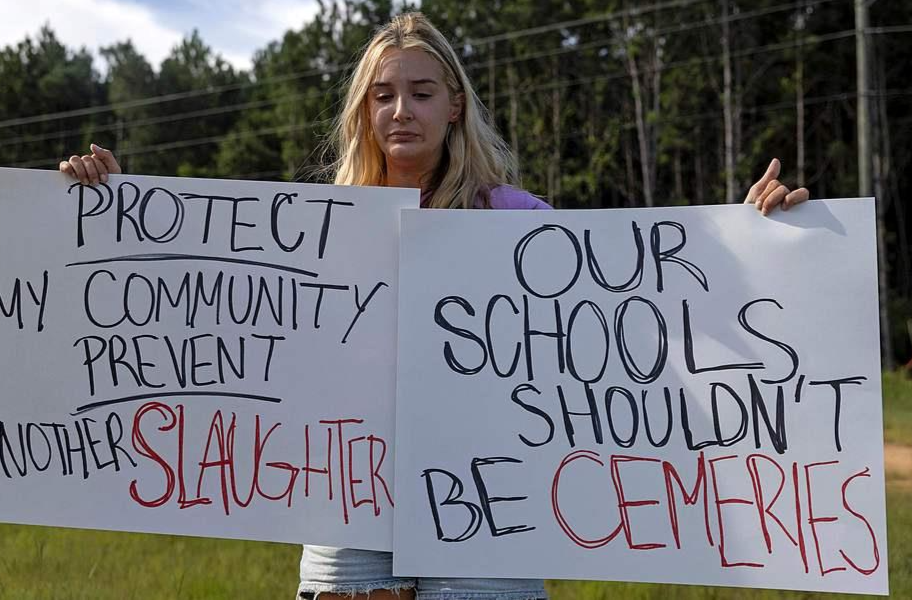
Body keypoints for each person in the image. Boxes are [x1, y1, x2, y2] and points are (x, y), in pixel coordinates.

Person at [61, 12, 809, 600]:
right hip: (348, 496)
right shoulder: (314, 229)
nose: (400, 111)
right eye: (382, 95)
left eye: (420, 93)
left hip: (490, 499)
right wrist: (123, 207)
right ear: (362, 111)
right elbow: (204, 301)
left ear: (454, 105)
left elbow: (634, 293)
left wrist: (743, 234)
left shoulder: (514, 217)